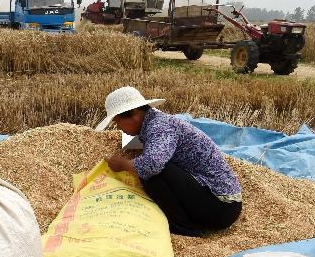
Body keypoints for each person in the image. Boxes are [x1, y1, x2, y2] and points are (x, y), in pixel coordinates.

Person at [95, 86, 242, 237]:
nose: (118, 127)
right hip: (215, 202)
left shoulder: (160, 127)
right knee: (150, 167)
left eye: (117, 122)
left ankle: (184, 229)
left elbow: (152, 164)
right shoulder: (156, 124)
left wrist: (122, 164)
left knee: (152, 172)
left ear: (133, 114)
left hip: (221, 206)